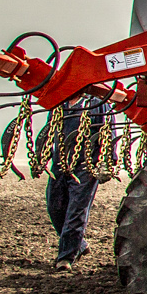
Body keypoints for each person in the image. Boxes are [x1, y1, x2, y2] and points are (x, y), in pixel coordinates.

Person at [47, 94, 113, 271]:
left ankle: (66, 257)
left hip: (86, 164)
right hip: (60, 162)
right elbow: (51, 131)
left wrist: (108, 160)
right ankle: (80, 245)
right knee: (55, 207)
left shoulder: (98, 103)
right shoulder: (59, 103)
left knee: (76, 210)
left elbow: (108, 131)